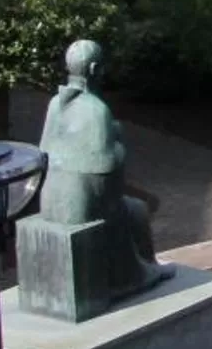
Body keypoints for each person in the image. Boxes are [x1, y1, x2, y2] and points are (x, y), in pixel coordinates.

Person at [34, 39, 163, 300]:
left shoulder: (54, 104)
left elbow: (44, 153)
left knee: (127, 207)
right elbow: (107, 170)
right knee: (134, 210)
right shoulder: (96, 110)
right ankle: (133, 277)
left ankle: (142, 270)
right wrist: (117, 138)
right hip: (80, 206)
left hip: (49, 202)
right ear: (94, 69)